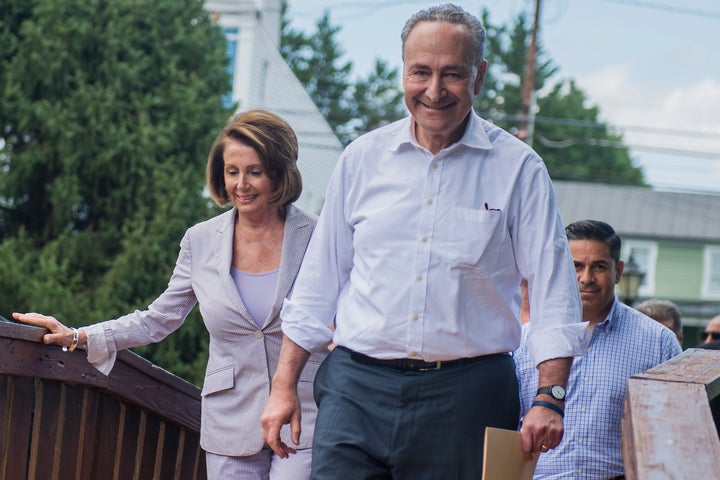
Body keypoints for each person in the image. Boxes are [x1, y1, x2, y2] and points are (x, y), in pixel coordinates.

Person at [260, 4, 589, 478]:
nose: (433, 91)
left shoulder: (520, 168)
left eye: (452, 74)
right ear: (403, 72)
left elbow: (555, 292)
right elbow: (319, 281)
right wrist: (283, 385)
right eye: (421, 72)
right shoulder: (361, 159)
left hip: (468, 397)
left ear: (478, 77)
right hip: (355, 389)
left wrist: (549, 397)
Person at [13, 109, 325, 480]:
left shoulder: (318, 237)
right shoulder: (200, 240)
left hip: (303, 417)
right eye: (232, 171)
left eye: (254, 171)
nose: (241, 184)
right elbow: (157, 319)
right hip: (230, 420)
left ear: (279, 173)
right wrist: (80, 336)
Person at [515, 220, 682, 479]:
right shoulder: (523, 341)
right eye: (576, 266)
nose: (586, 278)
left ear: (618, 271)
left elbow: (674, 431)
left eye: (599, 267)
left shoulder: (659, 342)